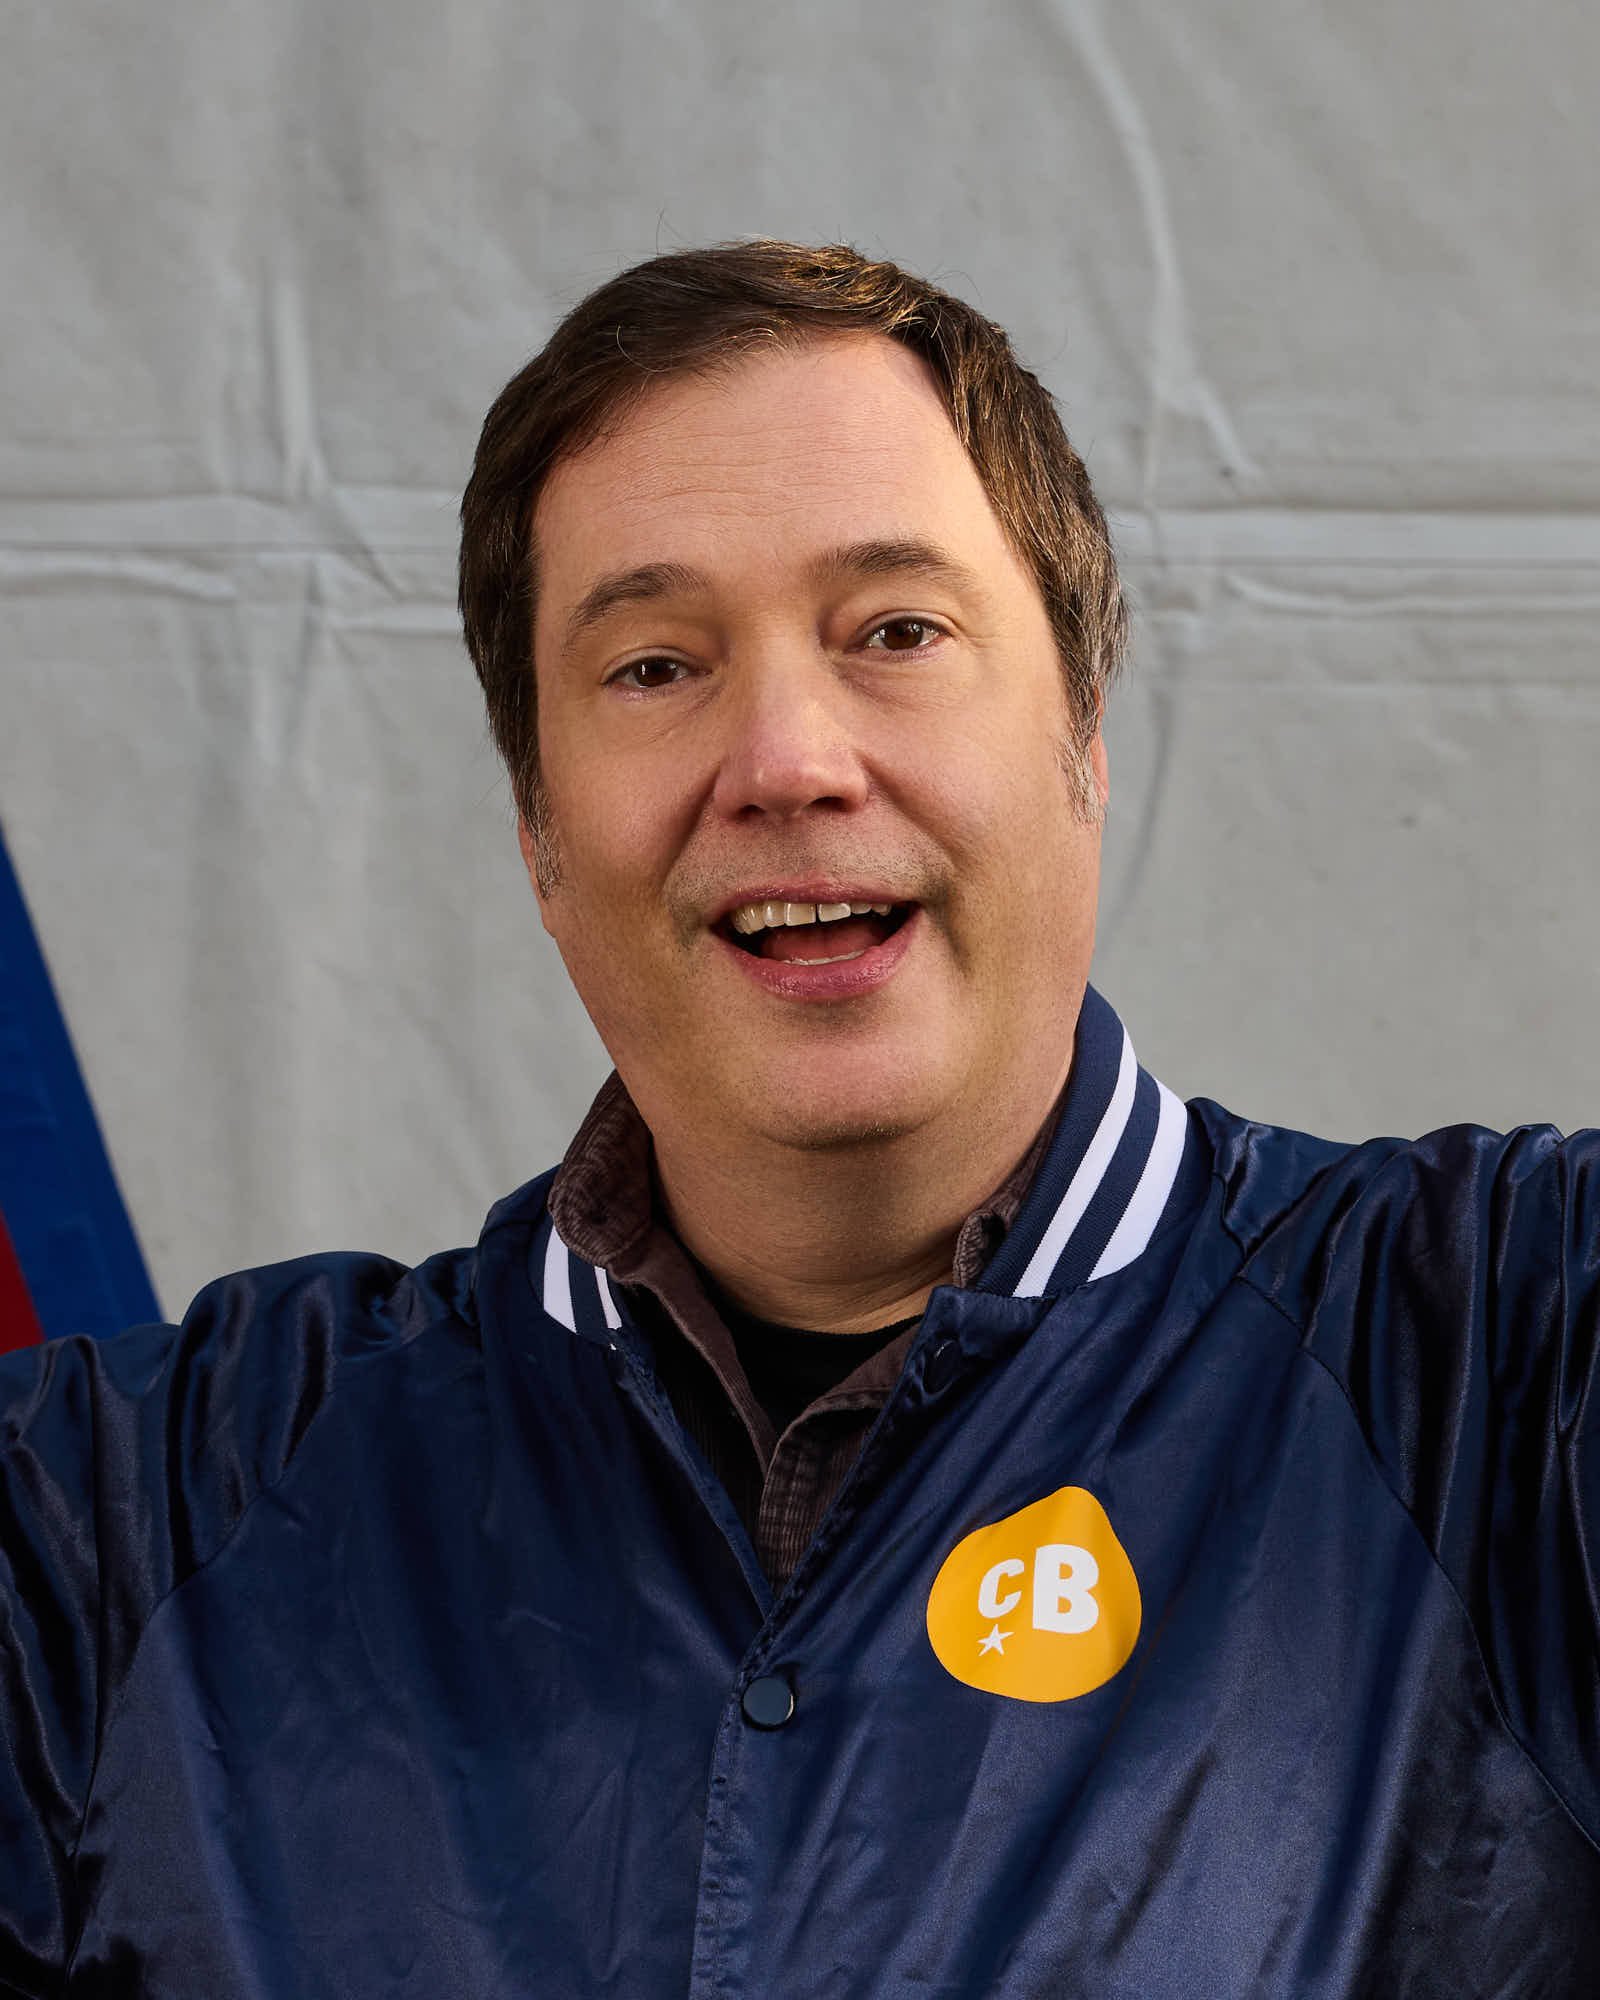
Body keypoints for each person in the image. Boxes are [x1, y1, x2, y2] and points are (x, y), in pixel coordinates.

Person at [1, 241, 1596, 1998]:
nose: (786, 756)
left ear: (1082, 737)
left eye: (896, 632)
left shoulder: (1506, 1370)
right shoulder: (115, 1520)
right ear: (537, 831)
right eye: (655, 665)